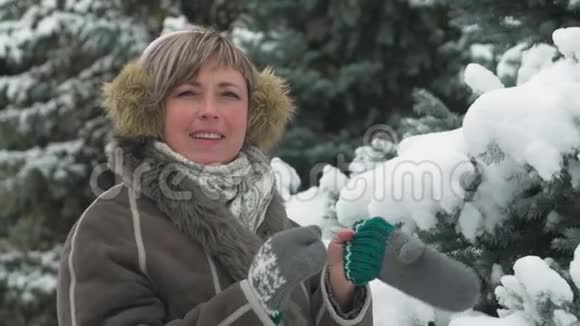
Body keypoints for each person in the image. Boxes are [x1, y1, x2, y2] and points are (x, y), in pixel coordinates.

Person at [56, 26, 372, 326]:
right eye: (187, 93)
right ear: (150, 111)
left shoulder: (287, 233)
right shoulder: (110, 229)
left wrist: (339, 292)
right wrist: (254, 302)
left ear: (254, 112)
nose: (210, 110)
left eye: (228, 94)